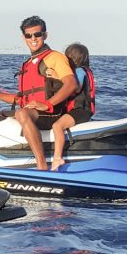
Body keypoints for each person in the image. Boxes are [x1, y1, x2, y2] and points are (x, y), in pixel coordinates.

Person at [0, 16, 77, 170]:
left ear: (45, 35)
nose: (33, 39)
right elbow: (23, 101)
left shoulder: (55, 58)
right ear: (23, 37)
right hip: (33, 112)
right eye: (28, 35)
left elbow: (71, 84)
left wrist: (47, 104)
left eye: (37, 34)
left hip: (52, 113)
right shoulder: (27, 64)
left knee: (22, 114)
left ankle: (41, 165)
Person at [50, 43, 96, 171]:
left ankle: (57, 158)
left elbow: (75, 87)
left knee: (57, 126)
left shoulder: (80, 71)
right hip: (80, 110)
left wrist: (57, 76)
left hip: (81, 110)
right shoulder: (84, 71)